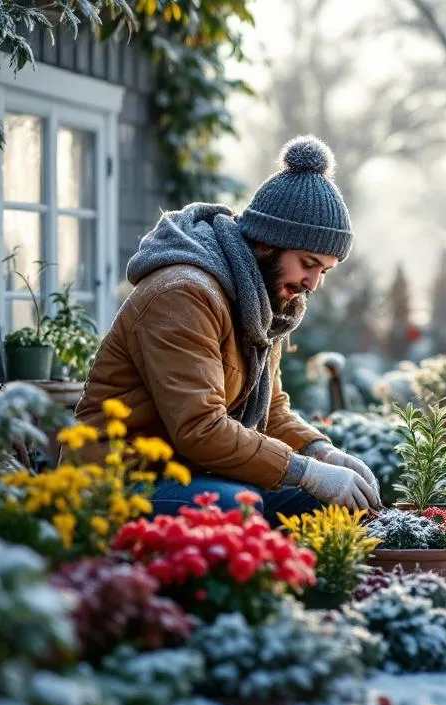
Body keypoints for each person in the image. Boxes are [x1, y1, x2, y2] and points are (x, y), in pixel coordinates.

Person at [68, 135, 381, 522]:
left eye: (324, 271)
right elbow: (200, 428)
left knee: (334, 504)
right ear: (268, 243)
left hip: (194, 472)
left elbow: (272, 410)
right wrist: (304, 471)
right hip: (121, 480)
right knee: (237, 503)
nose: (312, 284)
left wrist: (321, 451)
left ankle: (294, 581)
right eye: (308, 263)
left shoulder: (261, 301)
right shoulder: (184, 294)